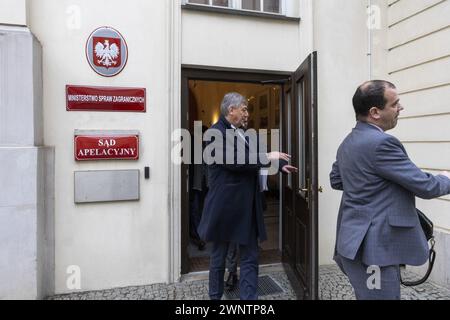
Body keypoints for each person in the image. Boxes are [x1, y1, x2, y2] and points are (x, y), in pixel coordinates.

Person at [330, 80, 450, 300]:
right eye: (395, 104)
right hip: (374, 250)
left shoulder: (348, 141)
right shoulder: (382, 143)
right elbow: (426, 186)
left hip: (353, 243)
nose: (400, 108)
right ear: (375, 112)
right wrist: (446, 178)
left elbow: (337, 180)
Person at [198, 92, 297, 300]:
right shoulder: (214, 134)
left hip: (248, 208)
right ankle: (214, 298)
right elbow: (235, 161)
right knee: (218, 260)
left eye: (247, 110)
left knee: (251, 258)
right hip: (224, 209)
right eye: (243, 109)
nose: (247, 114)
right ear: (230, 110)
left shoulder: (244, 133)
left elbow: (254, 162)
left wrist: (279, 165)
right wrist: (268, 156)